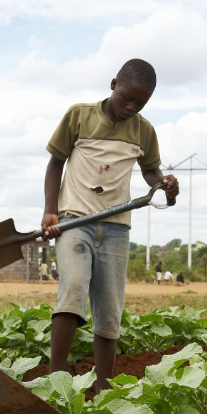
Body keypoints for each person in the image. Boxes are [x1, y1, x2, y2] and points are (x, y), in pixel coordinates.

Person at [41, 59, 179, 392]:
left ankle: (103, 390)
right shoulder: (79, 116)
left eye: (140, 103)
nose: (131, 107)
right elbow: (55, 162)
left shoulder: (143, 130)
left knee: (109, 307)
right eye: (126, 98)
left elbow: (150, 171)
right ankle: (55, 381)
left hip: (116, 227)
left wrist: (164, 183)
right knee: (73, 287)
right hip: (75, 219)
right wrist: (50, 211)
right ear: (113, 84)